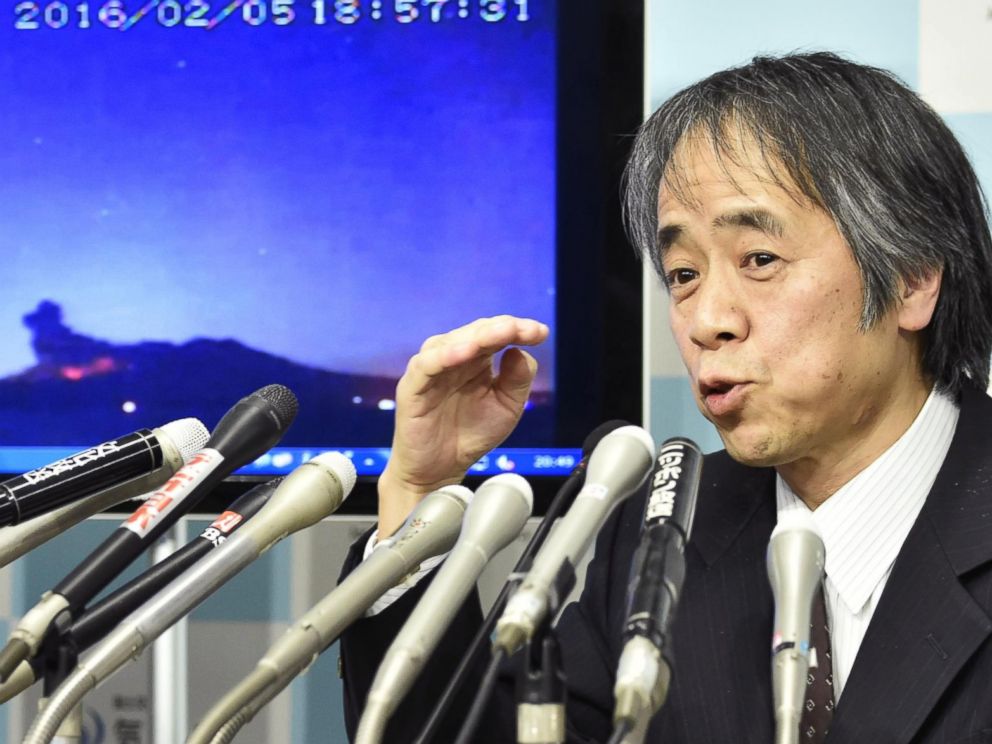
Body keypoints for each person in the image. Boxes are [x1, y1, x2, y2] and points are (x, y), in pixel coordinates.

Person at [339, 52, 992, 743]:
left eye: (759, 260)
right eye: (682, 273)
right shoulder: (663, 527)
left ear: (914, 278)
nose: (708, 319)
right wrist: (418, 495)